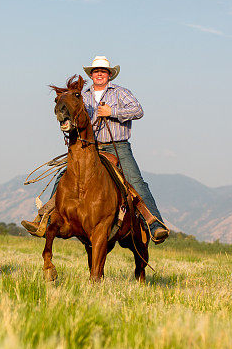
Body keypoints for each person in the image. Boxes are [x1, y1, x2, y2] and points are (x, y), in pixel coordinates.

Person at [22, 56, 169, 243]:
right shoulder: (83, 96)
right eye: (96, 71)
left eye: (103, 71)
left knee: (136, 181)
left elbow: (138, 111)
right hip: (90, 147)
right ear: (91, 75)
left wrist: (112, 112)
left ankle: (155, 225)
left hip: (118, 147)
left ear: (109, 75)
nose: (99, 74)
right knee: (63, 176)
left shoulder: (120, 92)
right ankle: (44, 219)